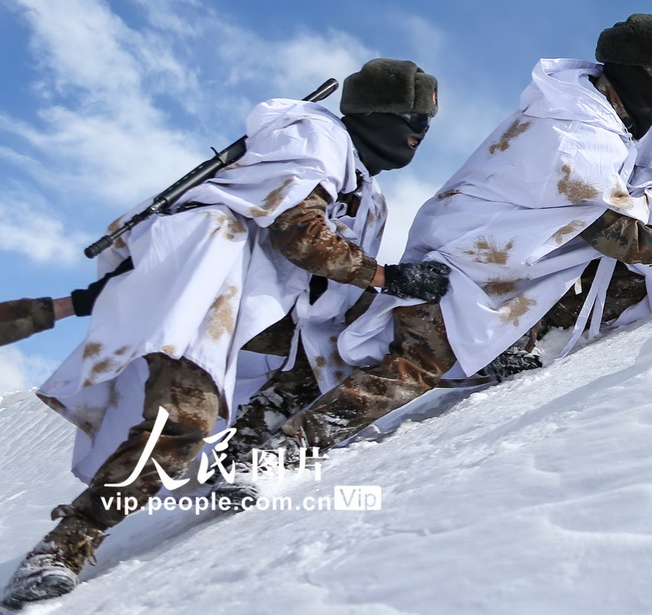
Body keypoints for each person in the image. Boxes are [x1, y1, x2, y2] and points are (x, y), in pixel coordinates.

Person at [237, 14, 652, 462]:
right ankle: (278, 452)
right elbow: (614, 234)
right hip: (468, 258)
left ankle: (509, 349)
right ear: (631, 76)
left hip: (510, 259)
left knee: (610, 289)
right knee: (414, 359)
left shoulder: (609, 99)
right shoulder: (573, 133)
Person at [1, 59, 447, 610]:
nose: (419, 133)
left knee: (331, 359)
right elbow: (298, 232)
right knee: (180, 426)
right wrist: (389, 278)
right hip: (205, 296)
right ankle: (63, 547)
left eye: (427, 122)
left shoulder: (363, 187)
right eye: (410, 116)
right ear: (373, 114)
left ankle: (237, 461)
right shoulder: (317, 140)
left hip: (251, 310)